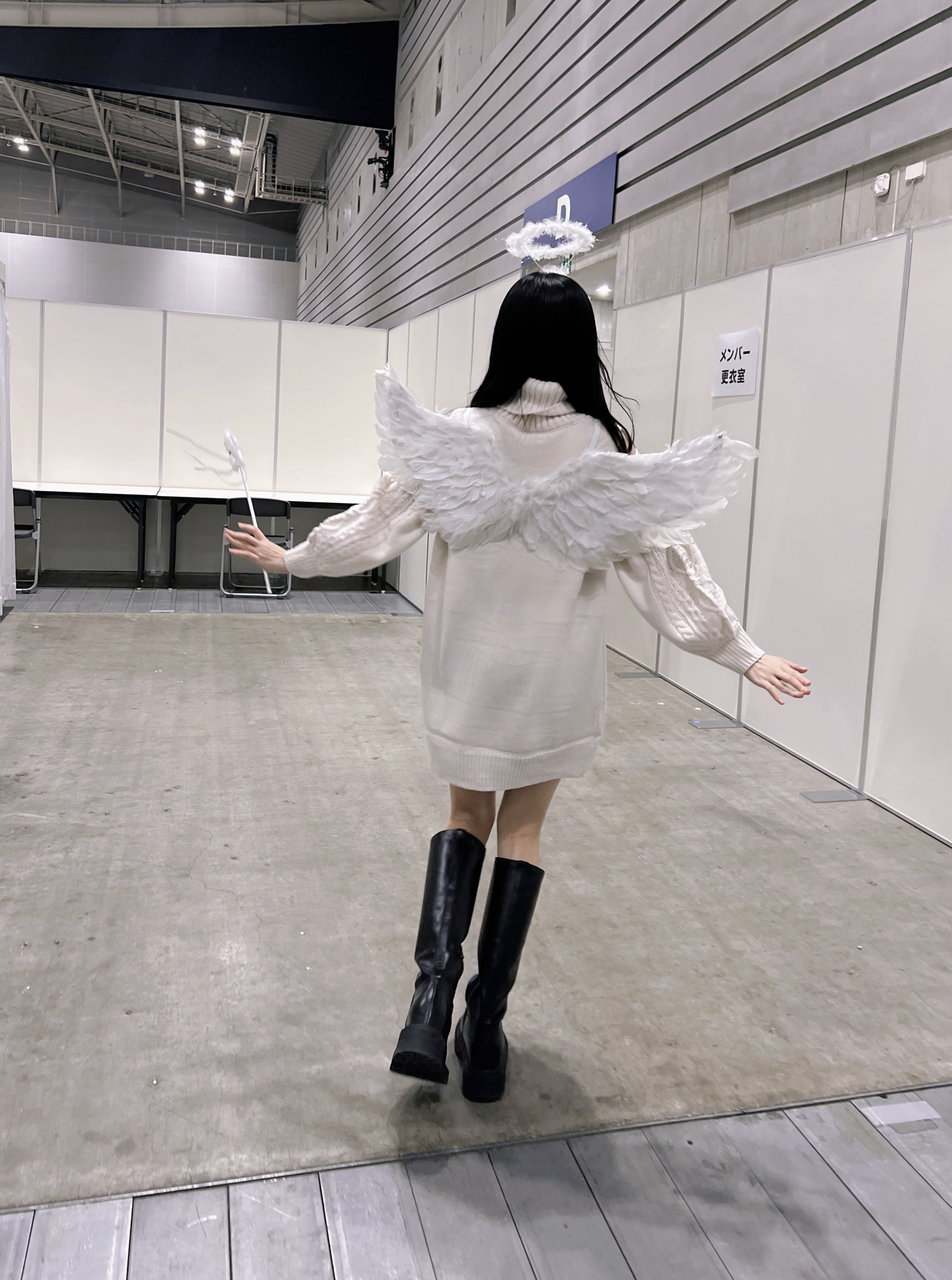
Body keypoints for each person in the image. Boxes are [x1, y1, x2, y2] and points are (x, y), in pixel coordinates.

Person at [226, 272, 810, 1105]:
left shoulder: (458, 437)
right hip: (553, 677)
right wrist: (743, 653)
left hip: (468, 671)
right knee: (522, 833)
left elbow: (377, 523)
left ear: (503, 340)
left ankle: (428, 1010)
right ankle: (486, 1032)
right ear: (581, 347)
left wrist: (293, 558)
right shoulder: (603, 449)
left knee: (465, 816)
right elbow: (666, 567)